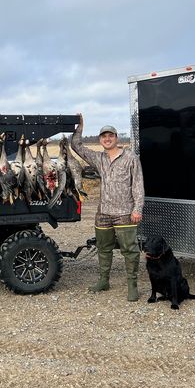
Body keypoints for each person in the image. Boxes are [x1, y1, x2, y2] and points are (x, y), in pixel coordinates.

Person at [71, 114, 144, 301]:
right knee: (103, 248)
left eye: (110, 135)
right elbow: (76, 146)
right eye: (104, 136)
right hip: (103, 213)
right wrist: (80, 127)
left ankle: (132, 285)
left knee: (130, 249)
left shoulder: (130, 158)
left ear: (116, 138)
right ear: (100, 140)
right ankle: (104, 281)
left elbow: (137, 185)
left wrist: (137, 209)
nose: (107, 139)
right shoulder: (98, 158)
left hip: (125, 213)